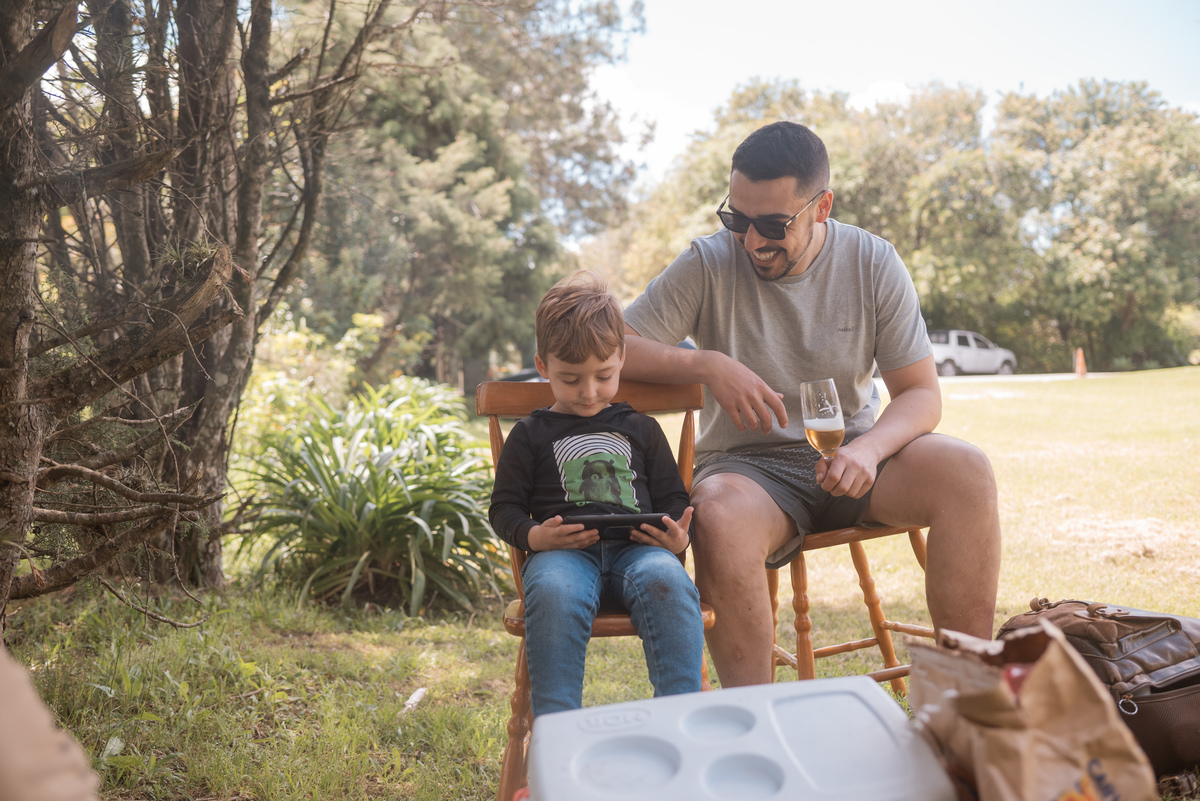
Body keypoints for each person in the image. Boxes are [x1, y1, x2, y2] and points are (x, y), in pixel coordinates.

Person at [620, 121, 1001, 688]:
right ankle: (756, 721)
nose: (752, 241)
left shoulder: (873, 261)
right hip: (748, 472)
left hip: (857, 457)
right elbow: (613, 347)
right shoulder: (707, 263)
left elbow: (922, 393)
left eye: (773, 225)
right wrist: (707, 365)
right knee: (717, 515)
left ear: (821, 207)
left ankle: (971, 701)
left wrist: (869, 451)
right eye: (737, 220)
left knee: (967, 472)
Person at [488, 272, 705, 716]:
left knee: (670, 583)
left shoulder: (642, 429)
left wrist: (676, 535)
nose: (588, 392)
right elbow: (504, 509)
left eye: (603, 375)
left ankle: (680, 719)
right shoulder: (530, 435)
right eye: (570, 379)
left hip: (640, 551)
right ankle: (557, 729)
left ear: (622, 357)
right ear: (543, 366)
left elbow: (673, 497)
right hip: (561, 558)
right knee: (551, 592)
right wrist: (534, 537)